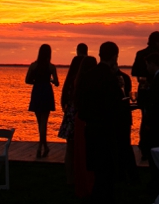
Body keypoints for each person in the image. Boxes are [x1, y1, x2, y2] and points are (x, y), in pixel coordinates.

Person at [82, 42, 125, 203]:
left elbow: (81, 103)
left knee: (97, 170)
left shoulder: (88, 75)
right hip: (107, 130)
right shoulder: (110, 78)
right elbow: (117, 106)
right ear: (115, 56)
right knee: (107, 171)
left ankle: (96, 196)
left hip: (91, 128)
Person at [138, 52, 159, 200]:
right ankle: (158, 182)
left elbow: (155, 103)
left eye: (148, 65)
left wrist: (144, 91)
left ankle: (158, 183)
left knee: (156, 155)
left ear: (153, 63)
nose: (147, 68)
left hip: (157, 124)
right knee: (157, 154)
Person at [131, 31, 159, 162]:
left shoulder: (140, 54)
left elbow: (134, 72)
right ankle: (154, 148)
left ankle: (144, 147)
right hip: (154, 91)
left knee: (145, 119)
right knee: (155, 119)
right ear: (156, 41)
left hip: (143, 90)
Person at [60, 46, 88, 184]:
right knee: (80, 149)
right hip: (78, 115)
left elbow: (65, 98)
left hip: (70, 115)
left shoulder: (70, 81)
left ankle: (70, 178)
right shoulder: (82, 81)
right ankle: (78, 177)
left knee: (70, 149)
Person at [26, 43, 59, 158]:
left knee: (40, 121)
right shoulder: (51, 67)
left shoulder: (33, 66)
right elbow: (57, 83)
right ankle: (43, 146)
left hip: (37, 91)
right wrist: (50, 80)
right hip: (46, 91)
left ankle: (42, 147)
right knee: (43, 122)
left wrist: (36, 81)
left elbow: (27, 80)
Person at [72, 55, 98, 198]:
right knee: (88, 153)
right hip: (87, 119)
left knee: (80, 154)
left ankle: (81, 186)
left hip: (79, 119)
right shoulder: (90, 81)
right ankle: (89, 185)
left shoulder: (78, 81)